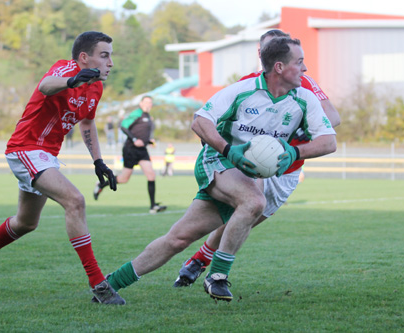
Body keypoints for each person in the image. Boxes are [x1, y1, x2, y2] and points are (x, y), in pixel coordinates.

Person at [103, 36, 337, 303]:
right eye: (300, 62)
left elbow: (329, 141)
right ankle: (217, 277)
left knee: (178, 239)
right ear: (280, 68)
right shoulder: (242, 90)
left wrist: (295, 151)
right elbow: (200, 121)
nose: (305, 69)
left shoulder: (304, 98)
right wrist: (228, 150)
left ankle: (108, 285)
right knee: (253, 201)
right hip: (216, 161)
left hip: (243, 174)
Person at [0, 31, 125, 305]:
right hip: (26, 148)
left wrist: (98, 161)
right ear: (84, 58)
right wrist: (71, 80)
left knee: (26, 222)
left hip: (46, 156)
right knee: (75, 201)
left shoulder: (96, 87)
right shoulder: (67, 67)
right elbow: (46, 85)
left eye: (111, 56)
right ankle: (98, 284)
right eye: (104, 55)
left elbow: (86, 123)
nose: (110, 63)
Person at [172, 29, 341, 289]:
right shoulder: (248, 84)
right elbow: (213, 122)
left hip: (288, 170)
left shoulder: (303, 84)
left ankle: (200, 259)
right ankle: (206, 268)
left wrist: (293, 136)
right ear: (263, 55)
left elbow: (334, 119)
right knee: (245, 210)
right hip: (250, 167)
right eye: (264, 49)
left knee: (248, 219)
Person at [93, 96, 167, 214]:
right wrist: (134, 139)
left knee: (151, 175)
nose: (149, 104)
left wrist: (149, 141)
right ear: (141, 103)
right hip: (130, 149)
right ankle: (101, 184)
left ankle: (153, 206)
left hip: (142, 150)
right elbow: (123, 125)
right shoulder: (137, 113)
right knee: (123, 179)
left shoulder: (148, 116)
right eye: (146, 102)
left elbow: (142, 133)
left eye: (150, 103)